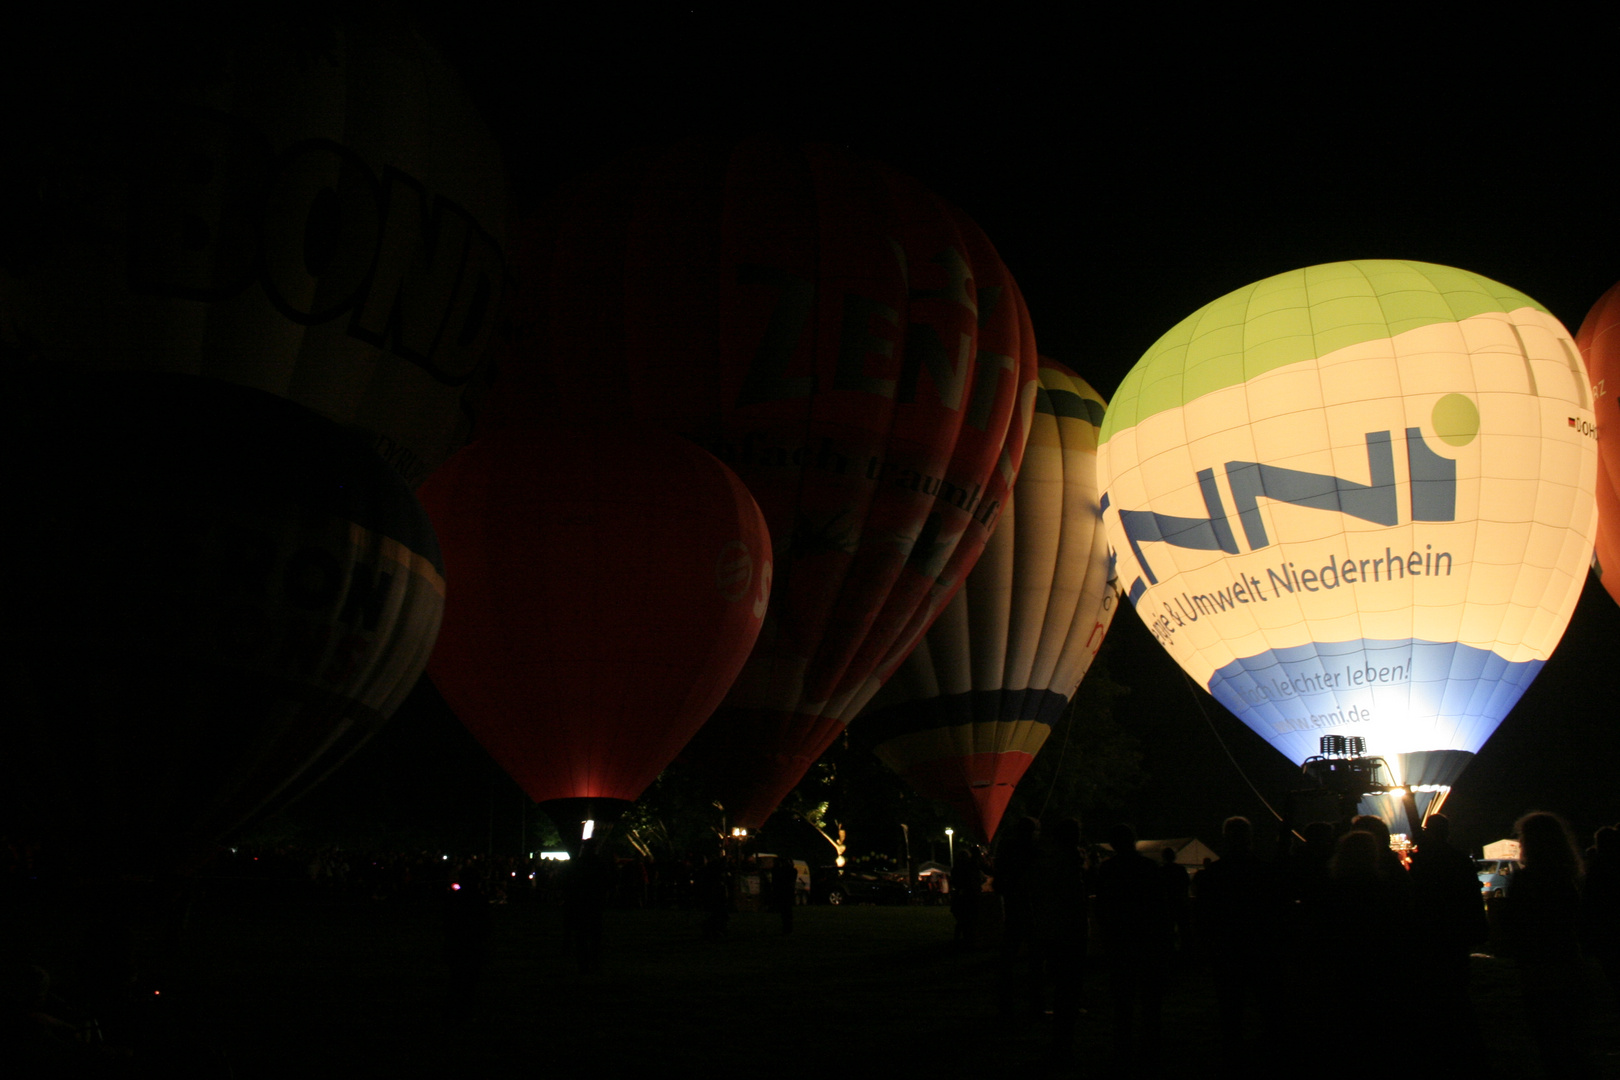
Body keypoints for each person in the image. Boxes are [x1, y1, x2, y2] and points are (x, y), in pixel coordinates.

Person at [1500, 811, 1593, 1077]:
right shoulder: (1569, 877)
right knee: (1573, 1039)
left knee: (1547, 1038)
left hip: (1537, 966)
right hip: (1567, 961)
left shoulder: (1527, 879)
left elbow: (1514, 923)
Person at [1093, 823, 1172, 1065]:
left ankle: (1123, 1045)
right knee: (1150, 998)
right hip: (1146, 939)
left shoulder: (1108, 870)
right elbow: (1160, 906)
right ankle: (1151, 1044)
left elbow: (1102, 907)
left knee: (1123, 999)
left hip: (1121, 940)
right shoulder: (1148, 867)